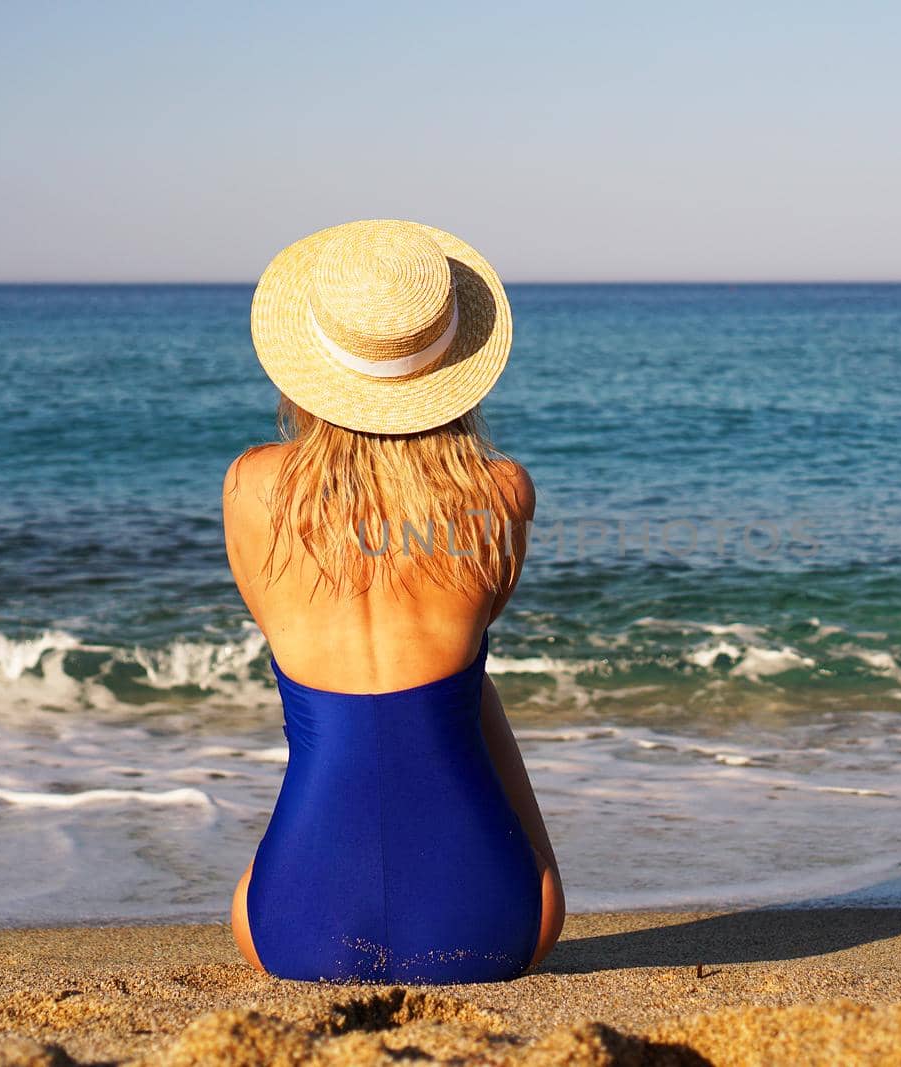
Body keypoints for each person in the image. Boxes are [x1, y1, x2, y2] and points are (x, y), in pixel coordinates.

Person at [221, 219, 564, 983]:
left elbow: (287, 641)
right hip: (499, 923)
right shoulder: (500, 494)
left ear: (310, 363)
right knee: (464, 681)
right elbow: (470, 645)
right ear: (455, 364)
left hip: (291, 928)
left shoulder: (251, 489)